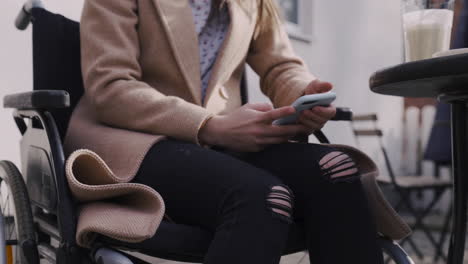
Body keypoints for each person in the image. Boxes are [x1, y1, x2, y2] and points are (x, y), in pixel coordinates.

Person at [65, 0, 388, 263]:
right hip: (135, 140)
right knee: (261, 195)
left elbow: (280, 67)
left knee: (337, 169)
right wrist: (209, 125)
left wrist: (303, 93)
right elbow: (111, 87)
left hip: (221, 145)